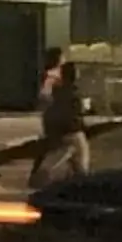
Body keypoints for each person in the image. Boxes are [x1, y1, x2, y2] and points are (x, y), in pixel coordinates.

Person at [30, 55, 90, 189]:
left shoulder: (57, 90)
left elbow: (45, 103)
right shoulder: (73, 92)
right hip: (73, 133)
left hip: (59, 132)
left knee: (68, 162)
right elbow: (75, 114)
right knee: (80, 165)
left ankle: (72, 185)